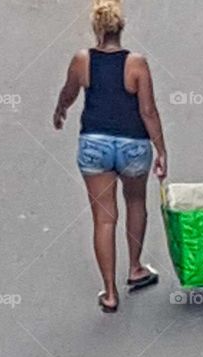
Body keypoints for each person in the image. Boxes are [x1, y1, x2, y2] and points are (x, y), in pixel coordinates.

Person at [53, 0, 166, 314]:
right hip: (133, 144)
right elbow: (148, 110)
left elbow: (70, 91)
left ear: (96, 28)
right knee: (135, 203)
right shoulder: (137, 64)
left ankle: (111, 292)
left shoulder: (81, 60)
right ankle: (135, 267)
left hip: (95, 145)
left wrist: (60, 109)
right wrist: (161, 150)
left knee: (104, 219)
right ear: (121, 28)